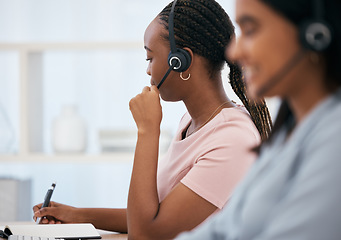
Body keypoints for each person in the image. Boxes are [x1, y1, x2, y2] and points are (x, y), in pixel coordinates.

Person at [33, 0, 272, 239]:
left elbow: (145, 234)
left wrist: (147, 131)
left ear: (181, 61)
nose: (148, 71)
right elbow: (155, 216)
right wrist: (77, 215)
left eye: (150, 58)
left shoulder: (232, 141)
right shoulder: (191, 121)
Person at [175, 0, 341, 239]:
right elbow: (222, 230)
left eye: (250, 30)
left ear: (314, 35)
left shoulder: (334, 142)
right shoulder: (288, 133)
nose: (234, 52)